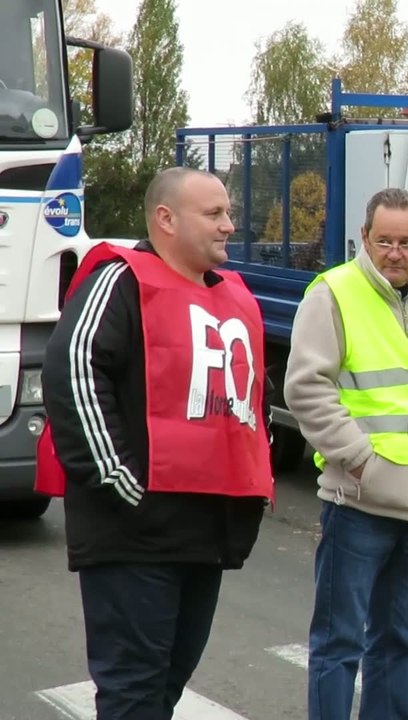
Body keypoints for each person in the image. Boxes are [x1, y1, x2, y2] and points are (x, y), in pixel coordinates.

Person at [39, 167, 273, 718]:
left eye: (228, 213)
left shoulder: (231, 296)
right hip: (134, 534)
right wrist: (122, 482)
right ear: (166, 219)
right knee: (133, 693)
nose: (229, 225)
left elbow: (249, 399)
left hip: (206, 535)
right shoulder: (119, 282)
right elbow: (74, 374)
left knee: (164, 688)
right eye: (213, 214)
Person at [285, 188, 408, 719]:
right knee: (338, 643)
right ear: (364, 238)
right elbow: (306, 388)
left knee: (396, 641)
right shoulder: (334, 293)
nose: (394, 253)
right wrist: (361, 462)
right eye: (384, 241)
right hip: (357, 502)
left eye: (406, 242)